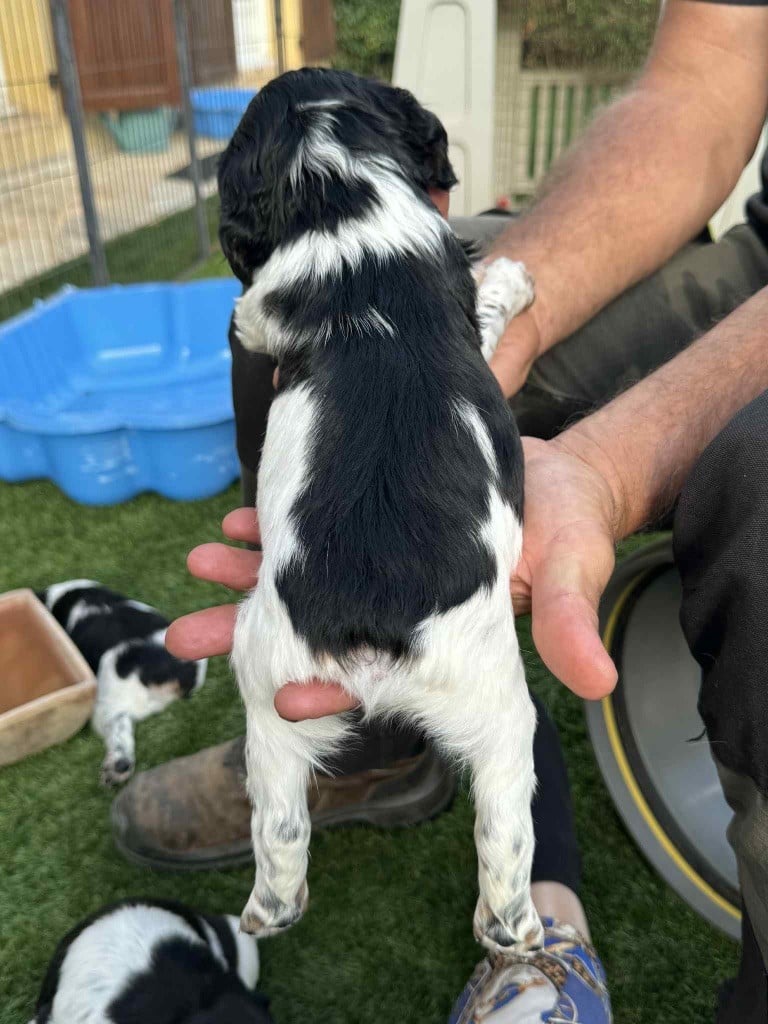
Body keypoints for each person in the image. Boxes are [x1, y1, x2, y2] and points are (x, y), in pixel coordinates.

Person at [112, 0, 768, 1019]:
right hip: (751, 254)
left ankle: (308, 799)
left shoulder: (271, 269)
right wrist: (493, 306)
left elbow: (268, 299)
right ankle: (397, 779)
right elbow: (698, 91)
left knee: (753, 483)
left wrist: (606, 465)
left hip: (310, 601)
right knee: (497, 723)